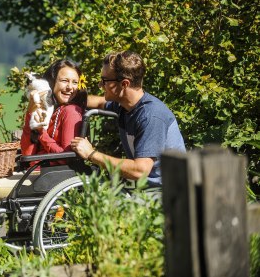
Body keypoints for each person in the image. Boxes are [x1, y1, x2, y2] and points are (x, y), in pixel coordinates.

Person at [0, 59, 86, 256]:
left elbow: (66, 157)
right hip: (37, 173)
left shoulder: (71, 112)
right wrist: (30, 114)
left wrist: (42, 134)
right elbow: (27, 152)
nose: (70, 87)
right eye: (64, 81)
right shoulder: (52, 109)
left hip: (52, 178)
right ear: (52, 83)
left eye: (74, 82)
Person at [71, 50, 185, 186]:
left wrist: (91, 154)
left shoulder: (151, 116)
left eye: (104, 80)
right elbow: (99, 102)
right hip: (147, 189)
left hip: (168, 193)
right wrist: (67, 97)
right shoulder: (124, 105)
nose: (100, 85)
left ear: (124, 84)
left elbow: (140, 171)